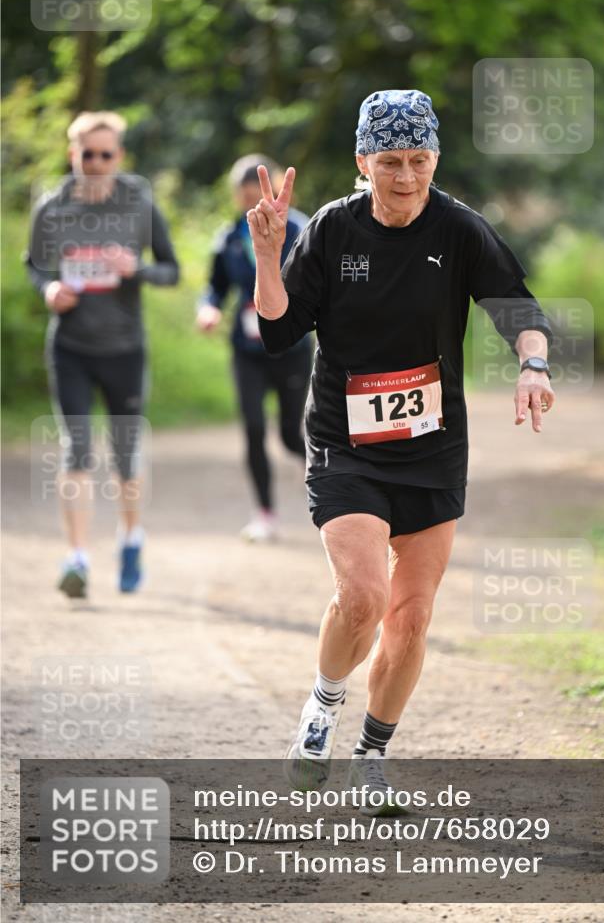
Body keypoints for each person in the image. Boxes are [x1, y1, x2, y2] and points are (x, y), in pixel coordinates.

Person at [248, 89, 555, 812]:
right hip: (344, 442)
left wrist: (533, 365)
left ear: (435, 159)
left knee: (410, 616)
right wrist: (267, 256)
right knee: (363, 596)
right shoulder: (331, 230)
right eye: (390, 161)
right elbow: (277, 331)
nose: (406, 177)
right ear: (363, 161)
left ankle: (372, 756)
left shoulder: (457, 229)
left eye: (419, 160)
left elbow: (517, 306)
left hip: (432, 447)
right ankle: (321, 711)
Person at [25, 111, 180, 598]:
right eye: (85, 153)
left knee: (125, 454)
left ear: (119, 156)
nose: (94, 162)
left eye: (104, 154)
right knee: (75, 449)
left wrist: (135, 269)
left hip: (124, 349)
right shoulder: (52, 207)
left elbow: (171, 270)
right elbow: (34, 265)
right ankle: (77, 558)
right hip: (70, 345)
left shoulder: (138, 203)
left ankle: (131, 538)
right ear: (73, 154)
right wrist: (49, 287)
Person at [197, 155, 312, 542]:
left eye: (258, 195)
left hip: (292, 348)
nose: (253, 205)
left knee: (291, 435)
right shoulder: (229, 237)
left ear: (276, 190)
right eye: (245, 198)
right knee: (253, 428)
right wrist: (208, 308)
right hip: (247, 349)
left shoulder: (302, 228)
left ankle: (329, 484)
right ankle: (264, 513)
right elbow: (214, 285)